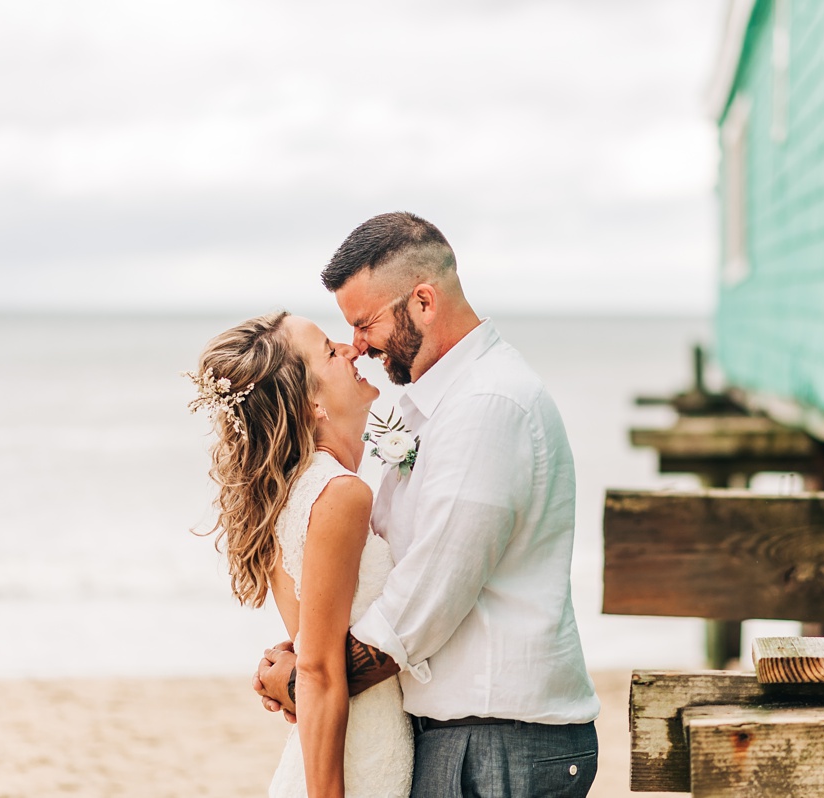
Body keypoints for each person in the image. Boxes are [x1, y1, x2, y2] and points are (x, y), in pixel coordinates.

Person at [250, 212, 600, 797]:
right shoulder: (435, 405)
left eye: (365, 323)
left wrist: (312, 677)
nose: (357, 346)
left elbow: (427, 598)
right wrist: (310, 663)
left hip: (500, 740)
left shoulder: (488, 406)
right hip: (467, 736)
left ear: (423, 301)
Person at [190, 311, 412, 797]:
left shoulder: (290, 489)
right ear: (312, 402)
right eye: (332, 351)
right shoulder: (337, 493)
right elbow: (318, 668)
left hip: (351, 740)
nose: (353, 350)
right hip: (359, 754)